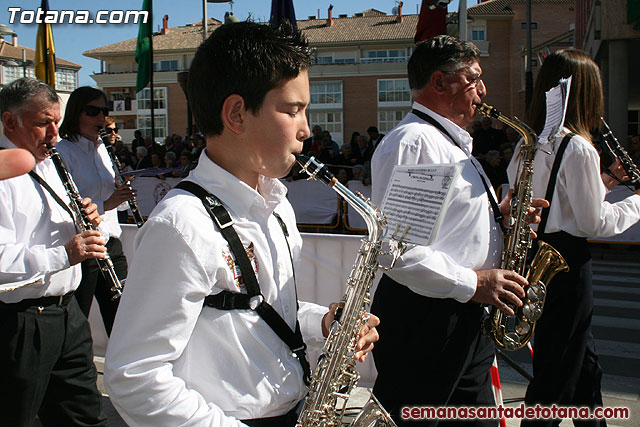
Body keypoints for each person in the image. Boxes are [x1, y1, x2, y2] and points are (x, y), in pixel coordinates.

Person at [104, 21, 379, 426]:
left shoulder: (277, 206)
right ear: (236, 114)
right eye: (292, 109)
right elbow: (134, 375)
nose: (306, 129)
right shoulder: (181, 225)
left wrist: (321, 323)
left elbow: (258, 311)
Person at [369, 35, 544, 426]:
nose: (482, 91)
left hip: (459, 314)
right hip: (428, 321)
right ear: (440, 82)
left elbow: (446, 224)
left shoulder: (447, 143)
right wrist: (473, 283)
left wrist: (500, 216)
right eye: (474, 79)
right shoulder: (416, 142)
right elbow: (394, 250)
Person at [509, 49, 640, 427]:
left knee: (583, 365)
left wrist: (609, 182)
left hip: (539, 257)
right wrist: (635, 202)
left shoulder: (529, 142)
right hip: (567, 263)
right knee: (558, 373)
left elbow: (561, 203)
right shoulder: (579, 147)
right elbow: (592, 222)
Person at [0, 77, 108, 426]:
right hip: (21, 323)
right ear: (10, 122)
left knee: (84, 416)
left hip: (67, 315)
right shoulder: (4, 172)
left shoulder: (51, 164)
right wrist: (65, 254)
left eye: (57, 123)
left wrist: (86, 218)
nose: (54, 134)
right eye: (42, 123)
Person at [56, 86, 135, 335]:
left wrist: (122, 195)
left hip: (111, 241)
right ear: (76, 113)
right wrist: (107, 203)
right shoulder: (63, 152)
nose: (100, 118)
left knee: (123, 316)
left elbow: (115, 202)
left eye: (103, 111)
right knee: (77, 318)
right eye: (92, 112)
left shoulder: (103, 150)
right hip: (85, 247)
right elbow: (65, 203)